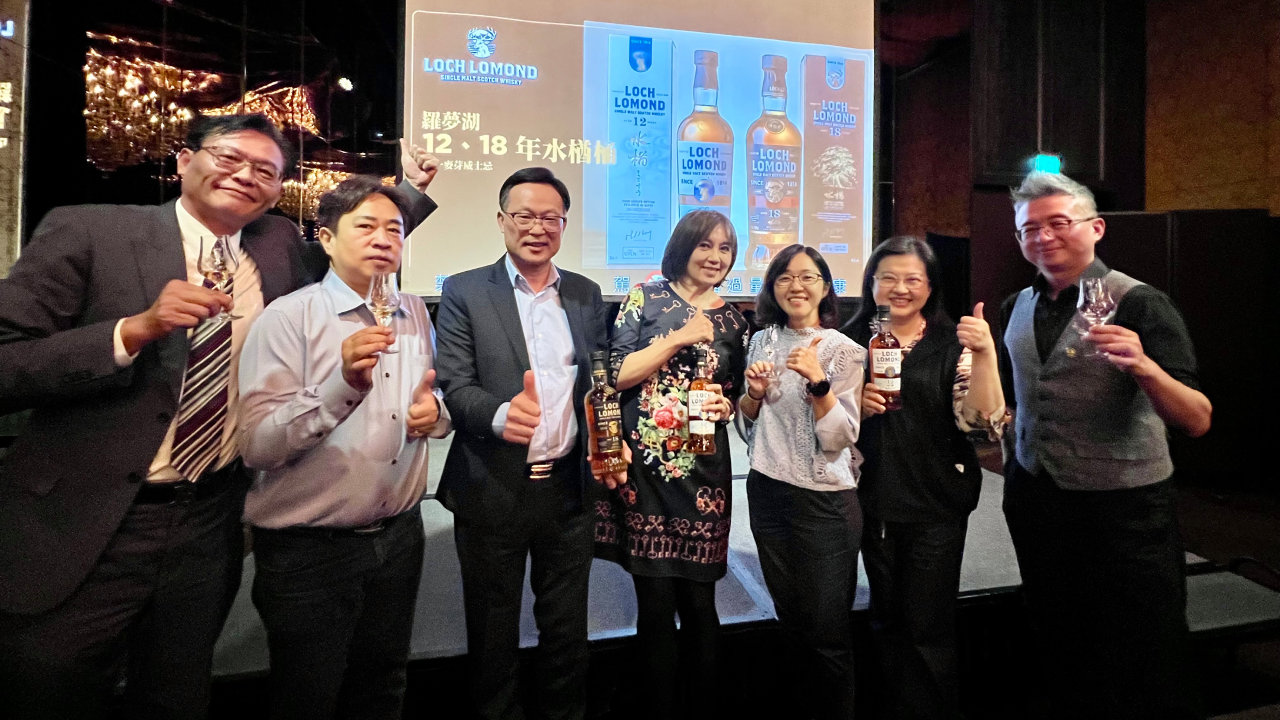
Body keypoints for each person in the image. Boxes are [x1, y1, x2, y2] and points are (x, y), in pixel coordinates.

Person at [0, 114, 439, 720]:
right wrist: (132, 331)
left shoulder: (275, 245)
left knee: (178, 693)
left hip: (209, 516)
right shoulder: (91, 230)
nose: (245, 176)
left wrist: (408, 191)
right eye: (229, 158)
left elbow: (360, 245)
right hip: (88, 515)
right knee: (52, 688)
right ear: (185, 161)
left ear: (278, 191)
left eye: (266, 170)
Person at [997, 172, 1212, 720]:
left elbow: (1197, 418)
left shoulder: (1141, 303)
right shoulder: (1014, 306)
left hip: (1124, 507)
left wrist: (1145, 367)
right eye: (1029, 229)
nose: (1044, 237)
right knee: (1059, 633)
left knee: (1144, 643)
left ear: (1095, 228)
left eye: (1059, 223)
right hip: (1037, 497)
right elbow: (1021, 396)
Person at [236, 176, 450, 719]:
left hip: (398, 537)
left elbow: (430, 397)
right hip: (311, 550)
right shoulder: (288, 318)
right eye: (367, 226)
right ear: (327, 239)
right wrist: (342, 385)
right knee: (308, 696)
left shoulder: (413, 310)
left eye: (394, 229)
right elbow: (258, 445)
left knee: (382, 688)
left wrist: (437, 414)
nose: (383, 239)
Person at [434, 167, 610, 720]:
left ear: (564, 224)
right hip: (493, 488)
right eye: (525, 215)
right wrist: (500, 415)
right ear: (501, 220)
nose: (538, 228)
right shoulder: (465, 290)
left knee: (567, 632)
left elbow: (599, 382)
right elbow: (455, 384)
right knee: (492, 634)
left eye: (550, 217)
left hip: (568, 492)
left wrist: (611, 440)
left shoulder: (584, 293)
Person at [842, 236, 1005, 720]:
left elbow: (981, 426)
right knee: (885, 619)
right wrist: (850, 405)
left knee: (927, 627)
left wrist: (985, 354)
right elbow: (822, 422)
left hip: (935, 503)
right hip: (872, 501)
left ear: (930, 287)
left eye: (912, 279)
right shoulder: (848, 342)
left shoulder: (953, 343)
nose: (900, 288)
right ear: (871, 283)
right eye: (888, 278)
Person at [593, 210, 746, 719]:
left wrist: (727, 405)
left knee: (701, 606)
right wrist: (678, 337)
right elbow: (616, 374)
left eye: (725, 248)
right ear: (683, 247)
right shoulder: (646, 298)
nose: (715, 257)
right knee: (655, 606)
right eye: (705, 245)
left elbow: (734, 393)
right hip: (645, 473)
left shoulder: (735, 321)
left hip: (704, 475)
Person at [738, 245, 866, 720]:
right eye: (785, 277)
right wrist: (752, 395)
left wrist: (819, 384)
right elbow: (749, 426)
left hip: (824, 503)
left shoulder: (843, 350)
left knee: (825, 632)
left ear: (826, 287)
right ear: (772, 287)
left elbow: (840, 437)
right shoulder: (760, 340)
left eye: (808, 277)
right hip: (767, 491)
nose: (796, 286)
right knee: (790, 622)